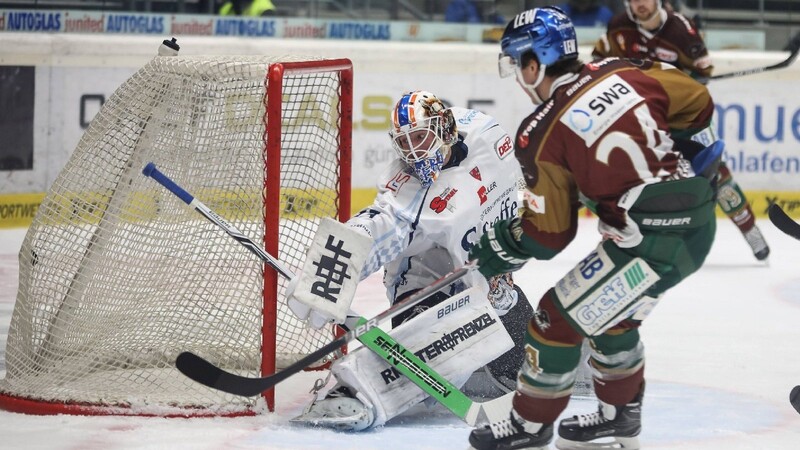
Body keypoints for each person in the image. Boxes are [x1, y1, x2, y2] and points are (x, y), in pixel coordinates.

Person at [466, 7, 722, 449]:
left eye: (516, 64)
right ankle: (619, 417)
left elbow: (550, 236)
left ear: (534, 64)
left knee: (553, 319)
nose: (518, 76)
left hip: (654, 241)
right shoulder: (623, 69)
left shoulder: (539, 132)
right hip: (691, 219)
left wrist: (504, 242)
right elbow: (699, 100)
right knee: (607, 315)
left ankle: (530, 425)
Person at [287, 90, 534, 431]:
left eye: (420, 137)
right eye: (405, 143)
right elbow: (378, 223)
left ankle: (489, 365)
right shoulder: (410, 189)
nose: (414, 151)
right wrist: (330, 268)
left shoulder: (486, 133)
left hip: (493, 293)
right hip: (427, 293)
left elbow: (519, 185)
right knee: (432, 347)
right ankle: (351, 392)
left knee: (528, 369)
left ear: (445, 129)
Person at [593, 0, 770, 261]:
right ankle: (626, 240)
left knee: (715, 175)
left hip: (685, 118)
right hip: (642, 120)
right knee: (631, 177)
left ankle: (750, 229)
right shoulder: (618, 26)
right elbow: (599, 61)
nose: (640, 4)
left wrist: (685, 80)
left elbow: (703, 72)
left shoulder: (681, 31)